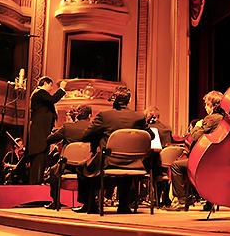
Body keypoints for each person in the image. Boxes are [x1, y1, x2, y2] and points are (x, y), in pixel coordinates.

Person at [74, 86, 155, 214]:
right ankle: (123, 205)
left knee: (81, 166)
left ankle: (89, 204)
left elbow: (85, 136)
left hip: (109, 161)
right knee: (126, 163)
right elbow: (151, 136)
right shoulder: (138, 118)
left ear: (114, 100)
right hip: (134, 163)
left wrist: (100, 134)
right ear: (129, 101)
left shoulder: (104, 116)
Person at [164, 90, 224, 211]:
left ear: (212, 106)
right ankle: (208, 201)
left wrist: (197, 126)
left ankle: (182, 201)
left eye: (207, 104)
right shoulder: (225, 119)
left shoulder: (210, 119)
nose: (205, 107)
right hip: (220, 159)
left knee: (176, 166)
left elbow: (196, 137)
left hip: (205, 161)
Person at [44, 104, 92, 210]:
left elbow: (49, 139)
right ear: (89, 116)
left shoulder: (68, 127)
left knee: (53, 171)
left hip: (69, 166)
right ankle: (89, 203)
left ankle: (56, 202)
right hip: (87, 167)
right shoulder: (93, 128)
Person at [28, 76, 67, 185]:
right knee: (38, 157)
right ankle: (35, 183)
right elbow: (53, 99)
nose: (51, 88)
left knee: (42, 157)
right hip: (39, 131)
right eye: (50, 85)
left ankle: (38, 181)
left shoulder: (41, 95)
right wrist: (62, 88)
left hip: (42, 131)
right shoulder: (39, 93)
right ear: (45, 83)